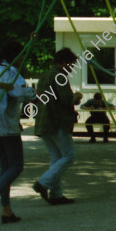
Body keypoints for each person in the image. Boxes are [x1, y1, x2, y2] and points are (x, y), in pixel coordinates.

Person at [0, 42, 36, 224]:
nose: (23, 62)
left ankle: (6, 210)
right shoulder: (8, 70)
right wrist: (33, 93)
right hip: (6, 123)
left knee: (5, 167)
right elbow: (17, 93)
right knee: (16, 165)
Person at [33, 48, 82, 205]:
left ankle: (56, 195)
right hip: (58, 122)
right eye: (72, 64)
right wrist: (77, 96)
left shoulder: (44, 75)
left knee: (56, 157)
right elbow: (67, 100)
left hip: (43, 122)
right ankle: (43, 183)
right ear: (64, 62)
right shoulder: (59, 76)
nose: (72, 68)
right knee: (69, 155)